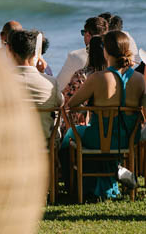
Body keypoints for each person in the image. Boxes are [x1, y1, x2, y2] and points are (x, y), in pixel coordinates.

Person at [62, 30, 146, 199]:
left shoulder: (98, 78)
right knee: (107, 136)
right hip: (129, 138)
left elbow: (71, 104)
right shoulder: (139, 79)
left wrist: (90, 108)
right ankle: (114, 173)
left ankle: (71, 187)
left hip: (99, 138)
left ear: (105, 50)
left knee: (69, 137)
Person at [6, 29, 62, 140]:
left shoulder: (0, 83)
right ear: (35, 54)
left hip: (10, 144)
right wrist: (41, 73)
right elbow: (60, 104)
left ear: (10, 51)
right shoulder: (51, 83)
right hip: (43, 143)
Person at [62, 35, 106, 129]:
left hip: (80, 130)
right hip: (108, 130)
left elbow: (64, 102)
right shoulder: (113, 77)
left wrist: (69, 127)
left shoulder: (80, 76)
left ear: (89, 53)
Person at [56, 16, 108, 92]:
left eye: (83, 33)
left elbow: (59, 86)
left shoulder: (75, 57)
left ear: (87, 34)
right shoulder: (114, 58)